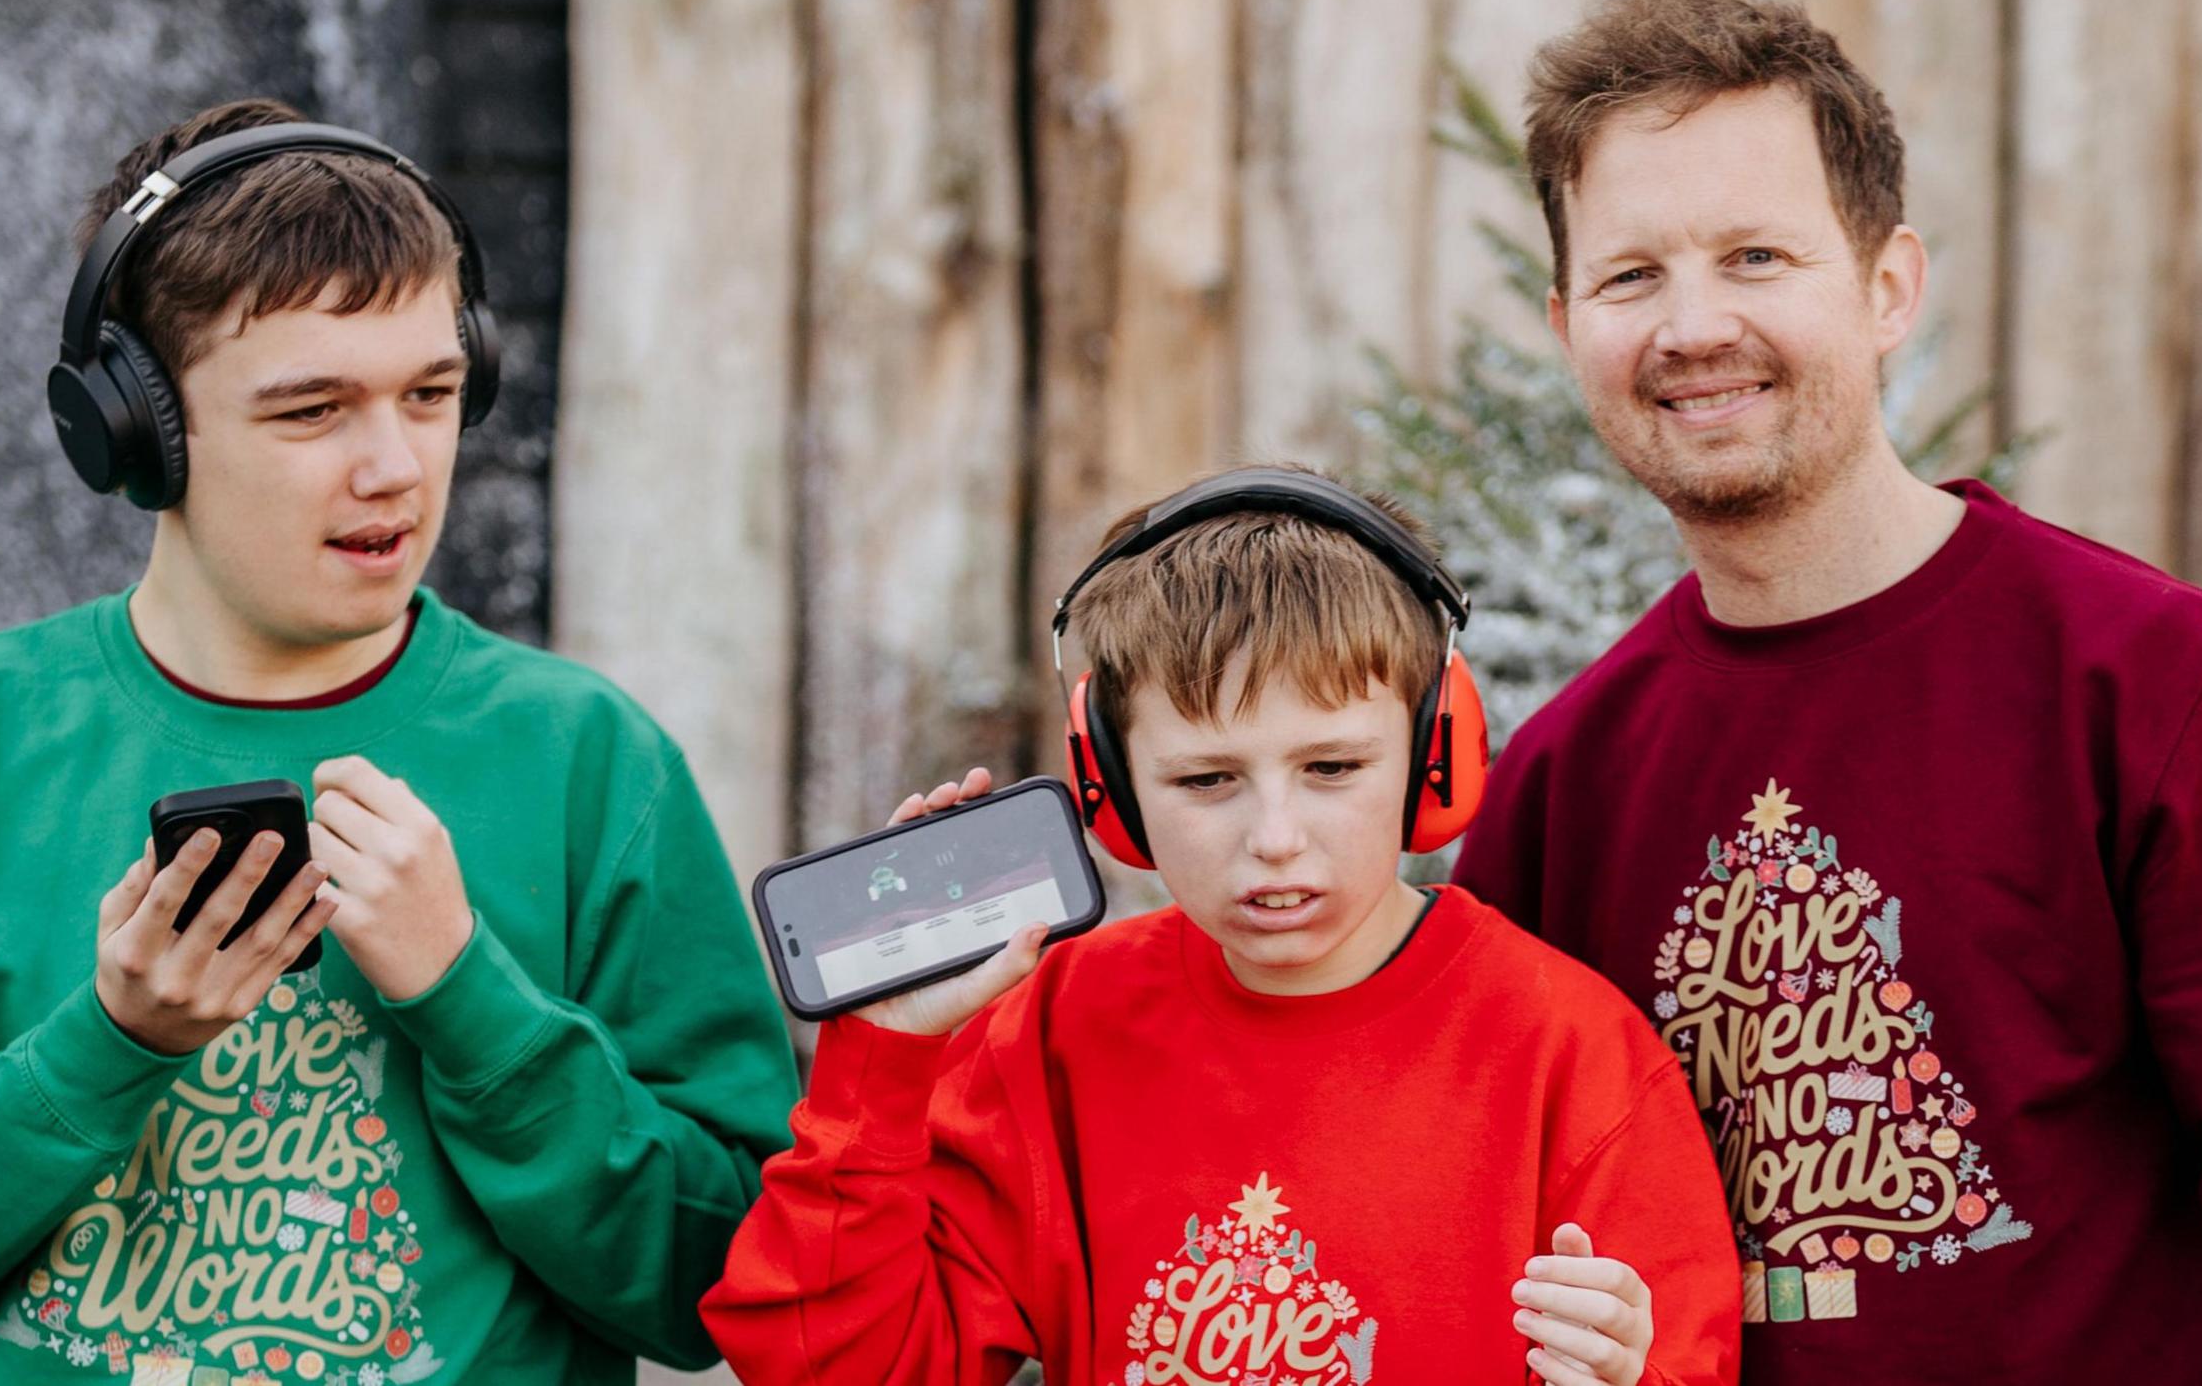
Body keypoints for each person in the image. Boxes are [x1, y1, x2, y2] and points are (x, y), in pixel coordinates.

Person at [1451, 0, 2202, 1383]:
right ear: (1566, 321)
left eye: (1757, 257)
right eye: (1632, 274)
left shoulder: (2149, 684)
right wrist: (1008, 1025)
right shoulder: (1565, 781)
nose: (1692, 325)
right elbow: (1420, 1169)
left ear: (1888, 287)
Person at [0, 98, 797, 1383]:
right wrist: (109, 1040)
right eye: (311, 411)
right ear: (136, 428)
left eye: (432, 392)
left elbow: (721, 1283)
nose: (395, 465)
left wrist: (470, 999)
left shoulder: (591, 761)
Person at [700, 465, 1743, 1386]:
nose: (1275, 838)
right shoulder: (1054, 1031)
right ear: (1112, 791)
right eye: (1207, 780)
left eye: (1332, 766)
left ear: (1436, 752)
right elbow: (834, 1366)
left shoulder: (1573, 1054)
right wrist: (884, 1065)